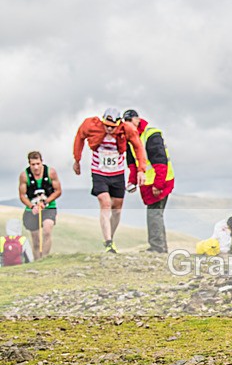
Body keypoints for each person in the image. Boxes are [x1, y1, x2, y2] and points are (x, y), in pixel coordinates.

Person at [73, 107, 146, 253]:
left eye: (112, 127)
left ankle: (110, 238)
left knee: (117, 208)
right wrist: (77, 159)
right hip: (99, 172)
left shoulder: (127, 130)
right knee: (105, 203)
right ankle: (108, 242)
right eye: (107, 125)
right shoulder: (91, 126)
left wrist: (141, 170)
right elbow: (79, 137)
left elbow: (138, 147)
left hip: (117, 173)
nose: (109, 129)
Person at [123, 109, 175, 253]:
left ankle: (157, 248)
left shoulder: (151, 134)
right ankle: (160, 247)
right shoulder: (129, 138)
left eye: (130, 120)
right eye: (125, 122)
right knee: (155, 213)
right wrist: (132, 182)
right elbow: (133, 164)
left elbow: (160, 162)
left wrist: (158, 184)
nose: (128, 124)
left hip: (160, 181)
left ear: (137, 119)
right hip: (147, 183)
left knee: (154, 213)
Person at [18, 151, 62, 259]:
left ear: (42, 162)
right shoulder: (24, 176)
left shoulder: (50, 172)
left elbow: (58, 191)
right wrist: (32, 206)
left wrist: (45, 202)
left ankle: (44, 258)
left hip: (49, 206)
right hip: (32, 209)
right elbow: (22, 195)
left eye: (38, 164)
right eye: (33, 164)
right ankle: (37, 260)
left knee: (47, 230)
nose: (36, 167)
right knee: (36, 239)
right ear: (29, 164)